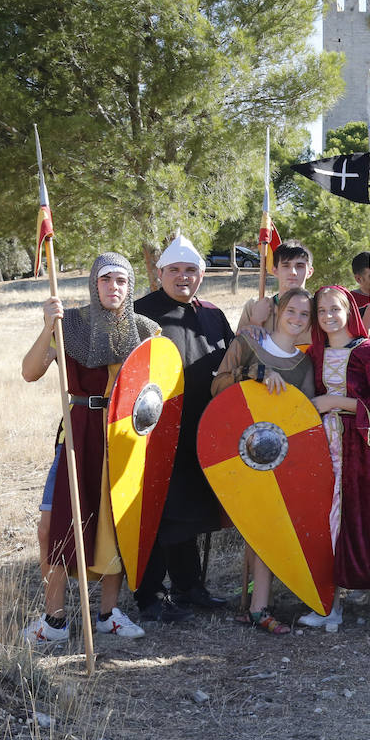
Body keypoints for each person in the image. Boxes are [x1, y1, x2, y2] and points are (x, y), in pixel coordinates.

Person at [21, 253, 159, 644]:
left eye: (120, 280)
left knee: (116, 527)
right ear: (94, 284)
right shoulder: (73, 325)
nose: (113, 287)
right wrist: (49, 325)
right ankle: (55, 621)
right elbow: (30, 372)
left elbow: (157, 390)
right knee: (52, 526)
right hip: (77, 435)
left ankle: (108, 614)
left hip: (122, 438)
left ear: (129, 286)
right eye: (106, 279)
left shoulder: (147, 331)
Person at [129, 234, 232, 622]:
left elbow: (230, 364)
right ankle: (150, 594)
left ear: (201, 275)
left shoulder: (213, 315)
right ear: (159, 273)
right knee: (156, 514)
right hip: (155, 433)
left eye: (191, 270)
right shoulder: (140, 314)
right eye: (174, 270)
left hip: (200, 432)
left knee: (188, 512)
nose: (183, 277)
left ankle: (190, 587)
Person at [298, 286, 370, 636]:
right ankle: (332, 606)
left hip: (357, 448)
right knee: (328, 524)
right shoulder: (313, 353)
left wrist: (335, 403)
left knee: (367, 520)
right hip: (320, 449)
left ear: (350, 312)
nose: (329, 316)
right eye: (322, 311)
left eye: (336, 309)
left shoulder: (368, 352)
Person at [211, 287, 316, 634]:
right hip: (243, 450)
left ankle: (260, 606)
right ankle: (258, 606)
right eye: (292, 311)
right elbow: (218, 387)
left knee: (271, 527)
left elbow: (307, 417)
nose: (297, 319)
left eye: (305, 315)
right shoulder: (247, 345)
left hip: (282, 454)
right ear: (277, 311)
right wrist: (253, 374)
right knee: (258, 527)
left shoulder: (305, 364)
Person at [237, 239, 314, 333]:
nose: (293, 272)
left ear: (310, 272)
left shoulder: (319, 310)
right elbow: (238, 346)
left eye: (299, 266)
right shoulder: (255, 306)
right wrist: (255, 321)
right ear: (275, 270)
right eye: (286, 265)